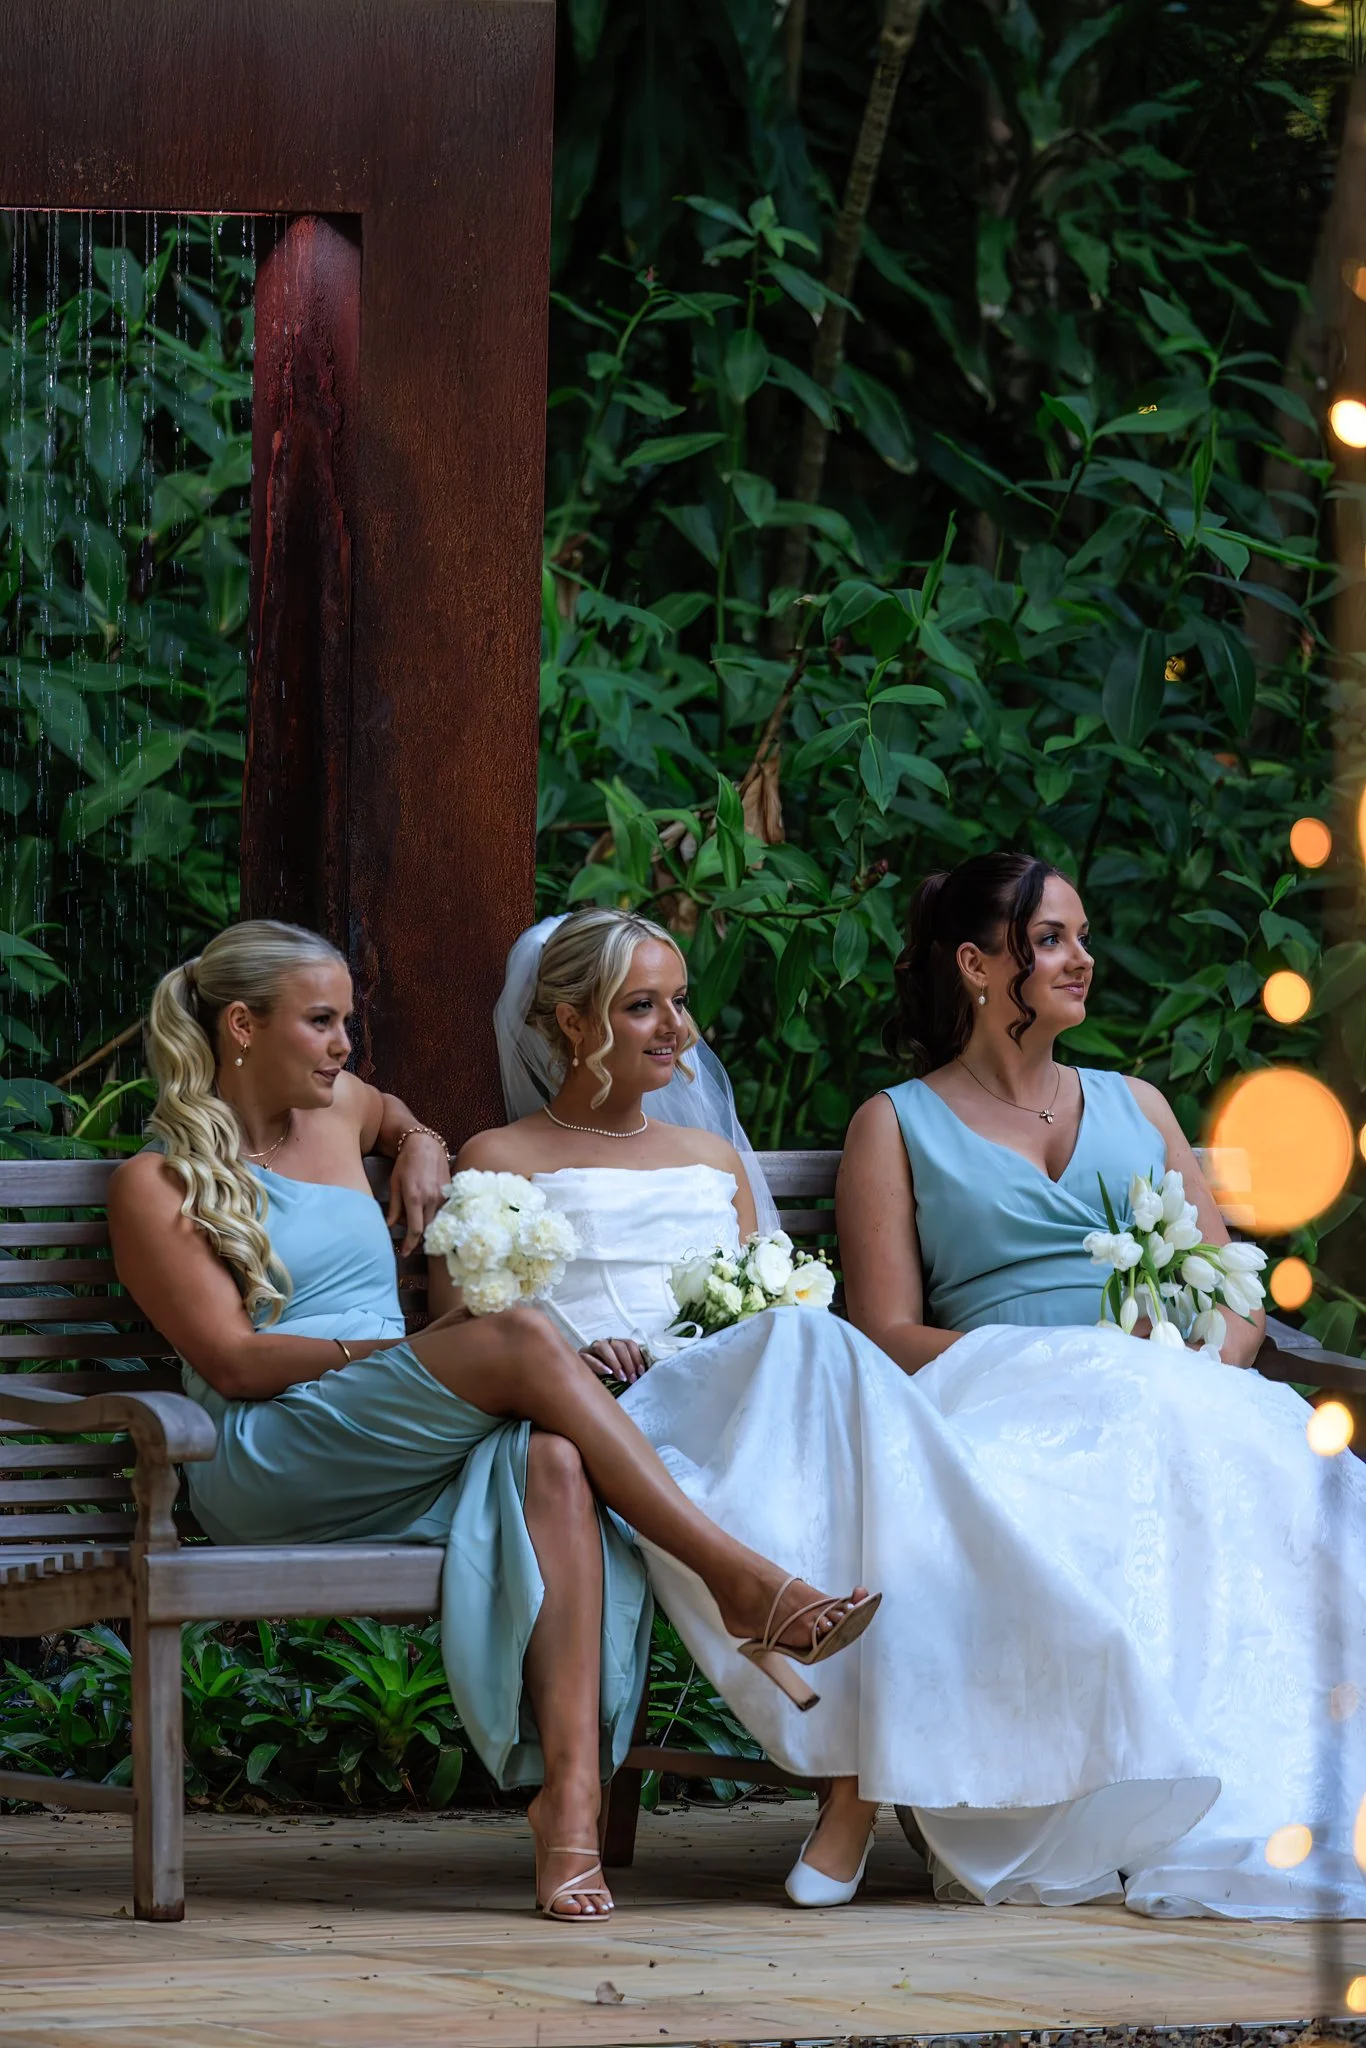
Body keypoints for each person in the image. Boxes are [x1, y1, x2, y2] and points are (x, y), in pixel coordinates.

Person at [108, 918, 877, 1924]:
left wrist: (422, 1143)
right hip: (274, 1447)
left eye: (349, 1020)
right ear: (243, 1025)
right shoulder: (155, 1182)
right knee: (518, 1338)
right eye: (322, 1022)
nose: (344, 1045)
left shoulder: (341, 1113)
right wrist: (419, 1357)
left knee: (557, 1455)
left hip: (405, 1429)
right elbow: (235, 1360)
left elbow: (396, 1117)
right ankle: (738, 1577)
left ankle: (569, 1812)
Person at [459, 907, 1228, 1911]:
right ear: (567, 1023)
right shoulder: (499, 1155)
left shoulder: (711, 1158)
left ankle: (862, 1780)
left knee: (809, 1350)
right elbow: (475, 1330)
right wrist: (568, 1352)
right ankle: (851, 1768)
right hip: (608, 1414)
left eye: (680, 1001)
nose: (675, 1027)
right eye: (639, 1005)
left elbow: (762, 1289)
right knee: (815, 1351)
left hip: (744, 1401)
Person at [839, 849, 1366, 1917]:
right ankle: (1095, 1796)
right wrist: (1056, 1361)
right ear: (978, 966)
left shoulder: (1137, 1103)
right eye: (1051, 940)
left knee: (1271, 1469)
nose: (1082, 958)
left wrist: (1180, 1368)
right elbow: (885, 1332)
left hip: (1167, 1387)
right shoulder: (893, 1122)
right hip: (992, 1396)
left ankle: (1237, 1781)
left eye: (1079, 936)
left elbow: (1233, 1300)